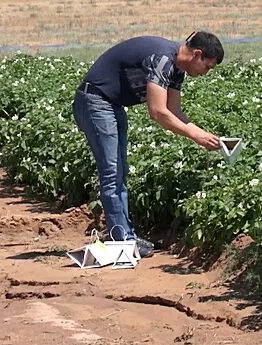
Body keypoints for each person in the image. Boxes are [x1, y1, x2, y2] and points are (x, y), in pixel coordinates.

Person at [72, 31, 224, 258]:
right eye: (207, 66)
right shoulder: (163, 59)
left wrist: (205, 135)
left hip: (111, 104)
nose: (206, 73)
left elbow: (174, 110)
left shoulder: (177, 69)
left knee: (120, 172)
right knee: (112, 172)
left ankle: (124, 235)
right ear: (197, 55)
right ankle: (121, 239)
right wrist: (196, 136)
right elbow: (157, 112)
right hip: (94, 101)